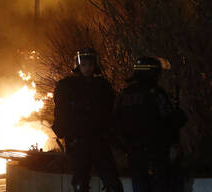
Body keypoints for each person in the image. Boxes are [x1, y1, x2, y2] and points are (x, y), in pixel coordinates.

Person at [52, 48, 124, 192]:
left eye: (90, 65)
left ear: (95, 65)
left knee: (112, 181)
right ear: (78, 65)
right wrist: (61, 131)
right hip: (78, 141)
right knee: (80, 182)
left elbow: (110, 112)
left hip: (99, 140)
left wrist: (114, 136)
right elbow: (61, 111)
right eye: (83, 65)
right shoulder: (67, 86)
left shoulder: (102, 86)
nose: (87, 68)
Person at [113, 57, 188, 192]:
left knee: (140, 185)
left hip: (134, 154)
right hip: (156, 153)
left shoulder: (124, 95)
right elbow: (172, 119)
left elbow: (115, 123)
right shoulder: (155, 94)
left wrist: (124, 148)